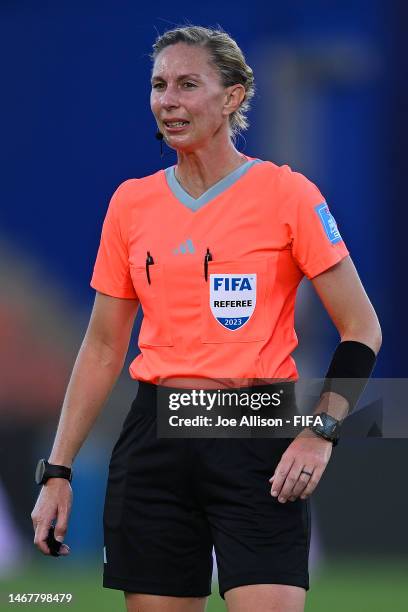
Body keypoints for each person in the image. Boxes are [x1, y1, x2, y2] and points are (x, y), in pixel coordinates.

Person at [31, 25, 382, 612]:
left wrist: (321, 432)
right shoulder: (131, 203)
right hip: (155, 441)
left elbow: (361, 328)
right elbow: (101, 347)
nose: (168, 100)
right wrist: (58, 471)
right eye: (159, 85)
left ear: (233, 97)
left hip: (255, 436)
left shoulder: (288, 194)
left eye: (188, 84)